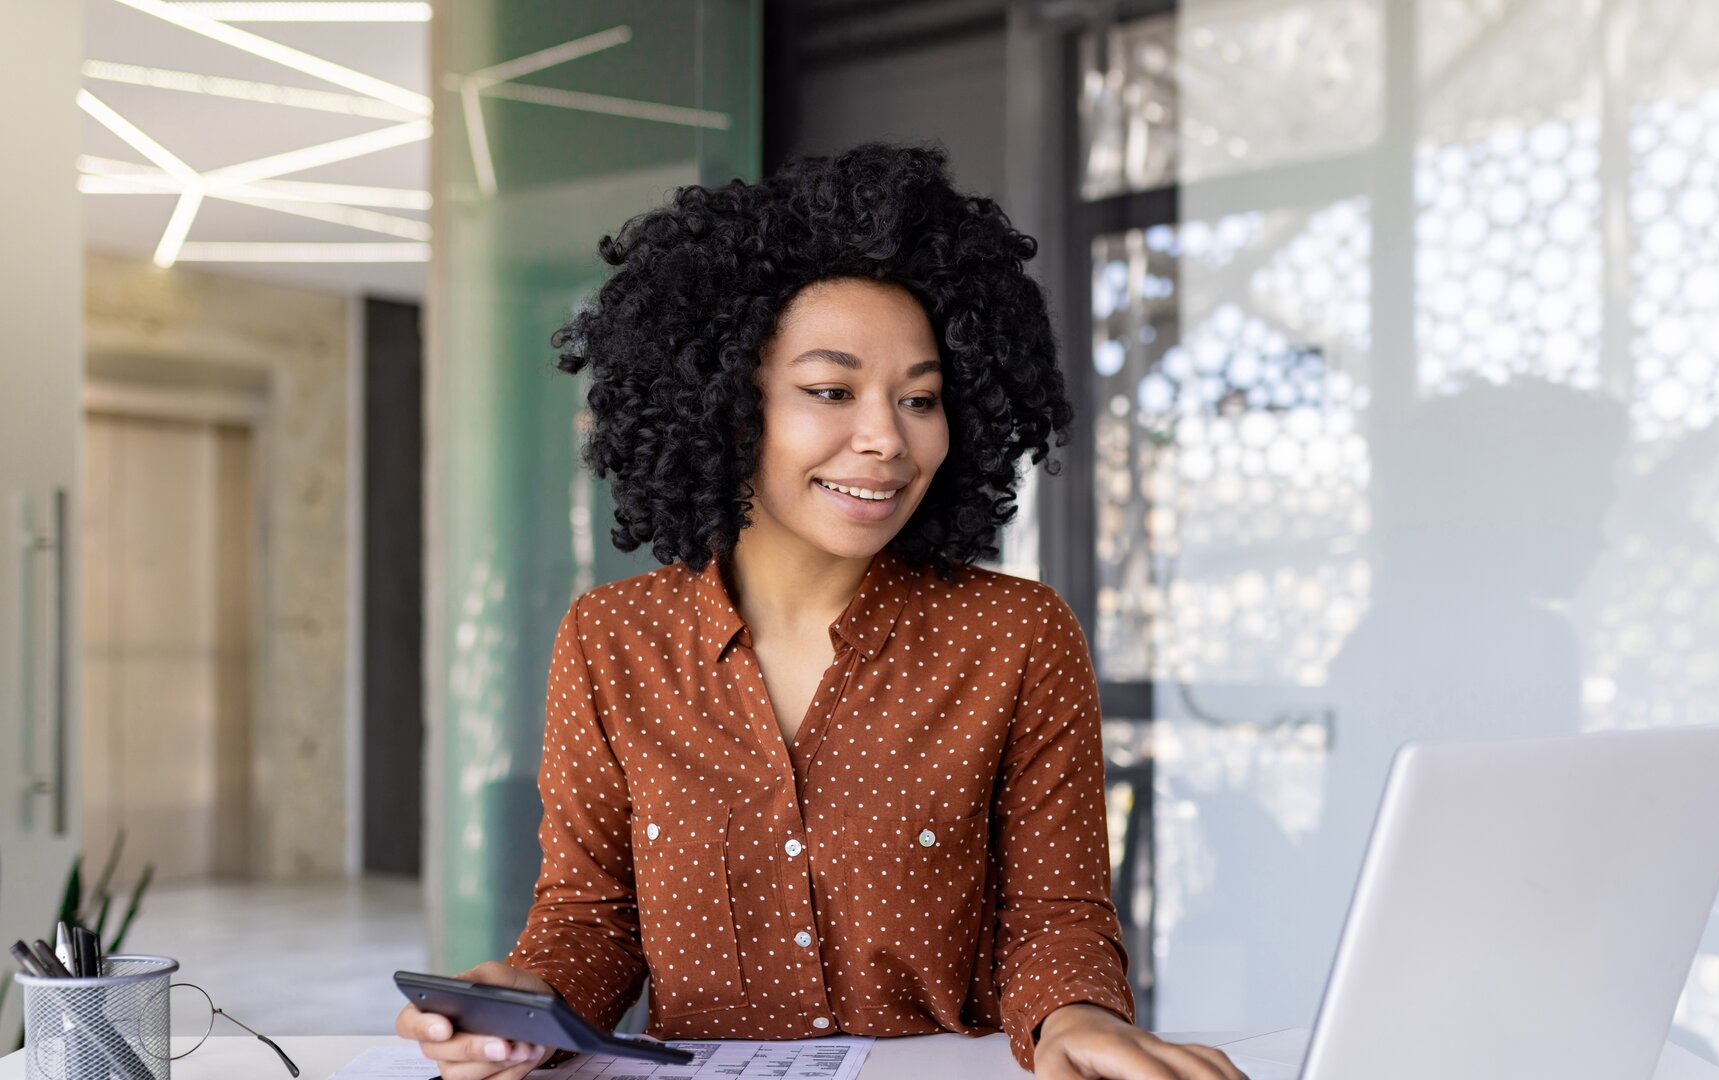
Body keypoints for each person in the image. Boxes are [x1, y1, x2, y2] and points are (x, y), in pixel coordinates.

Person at [394, 142, 1247, 1080]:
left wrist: (1076, 1017)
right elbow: (590, 923)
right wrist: (521, 1002)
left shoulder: (1016, 637)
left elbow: (1058, 916)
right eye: (831, 391)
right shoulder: (613, 640)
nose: (886, 437)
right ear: (729, 406)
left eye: (920, 398)